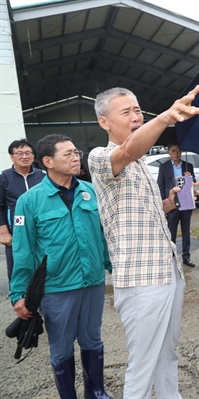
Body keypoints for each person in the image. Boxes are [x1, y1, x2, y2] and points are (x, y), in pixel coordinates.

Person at [88, 85, 199, 398]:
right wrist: (167, 117)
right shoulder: (101, 157)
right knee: (142, 367)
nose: (135, 116)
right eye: (126, 112)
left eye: (138, 110)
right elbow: (128, 151)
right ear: (105, 122)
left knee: (167, 356)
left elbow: (150, 213)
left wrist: (170, 201)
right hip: (142, 281)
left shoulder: (142, 166)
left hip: (169, 272)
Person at [9, 134, 113, 399]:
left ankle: (96, 392)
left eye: (76, 152)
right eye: (67, 154)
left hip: (92, 282)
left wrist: (115, 268)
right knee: (62, 348)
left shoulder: (89, 191)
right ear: (48, 162)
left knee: (92, 339)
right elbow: (23, 251)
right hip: (56, 287)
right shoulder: (29, 201)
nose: (76, 157)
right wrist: (19, 292)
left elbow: (102, 237)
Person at [0, 139, 45, 283]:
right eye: (19, 153)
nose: (24, 157)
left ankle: (45, 303)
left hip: (42, 232)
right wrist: (4, 232)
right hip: (16, 233)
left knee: (44, 267)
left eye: (28, 153)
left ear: (33, 155)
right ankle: (21, 301)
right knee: (18, 269)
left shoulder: (43, 176)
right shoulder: (3, 177)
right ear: (11, 156)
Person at [158, 143, 196, 267]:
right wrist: (164, 205)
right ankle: (172, 257)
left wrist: (190, 178)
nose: (176, 154)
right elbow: (161, 186)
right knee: (171, 232)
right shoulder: (164, 167)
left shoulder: (188, 166)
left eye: (179, 151)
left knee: (186, 231)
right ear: (169, 152)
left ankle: (186, 256)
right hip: (172, 204)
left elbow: (193, 183)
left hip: (186, 203)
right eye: (173, 151)